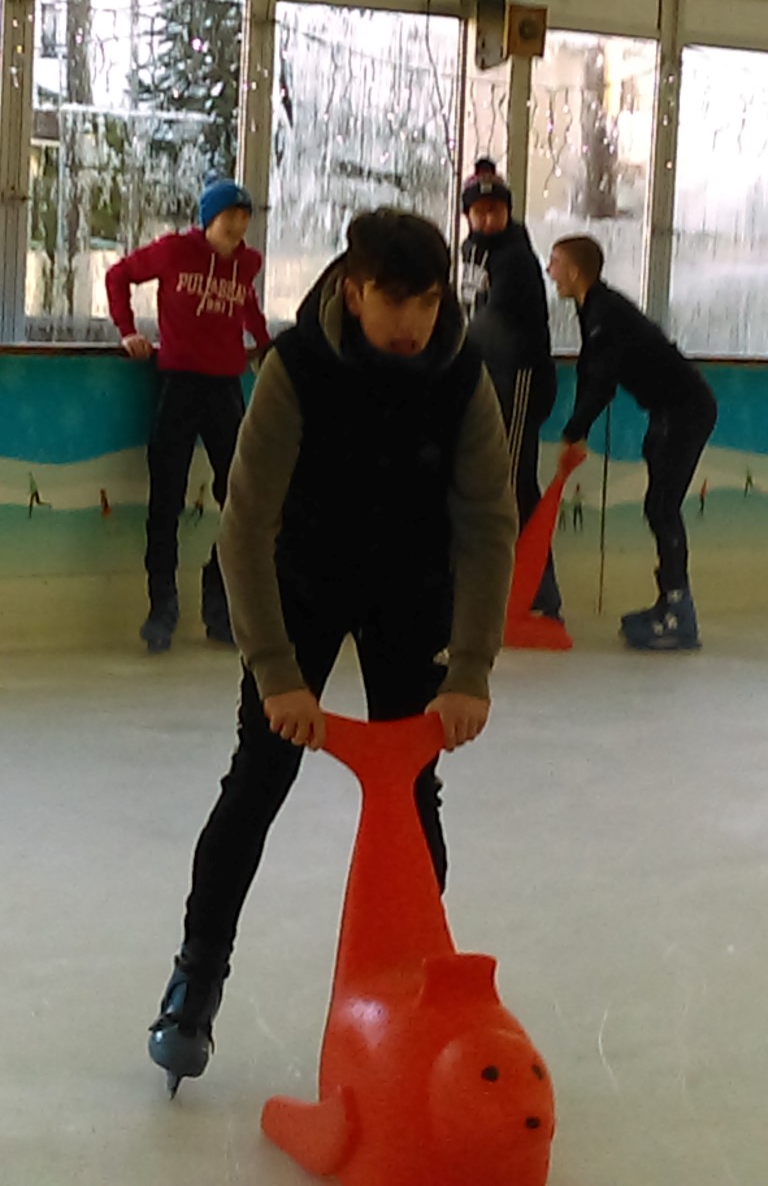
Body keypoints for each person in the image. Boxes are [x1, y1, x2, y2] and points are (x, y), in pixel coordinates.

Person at [147, 208, 517, 1093]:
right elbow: (245, 526)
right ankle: (196, 978)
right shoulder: (297, 365)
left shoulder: (462, 376)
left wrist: (471, 666)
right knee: (259, 778)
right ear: (353, 290)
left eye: (428, 301)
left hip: (411, 591)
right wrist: (276, 670)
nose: (412, 321)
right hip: (305, 581)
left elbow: (488, 523)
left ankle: (414, 983)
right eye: (394, 299)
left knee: (411, 789)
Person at [106, 176, 271, 653]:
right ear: (208, 219)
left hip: (225, 389)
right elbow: (118, 275)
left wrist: (266, 346)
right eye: (229, 216)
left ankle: (219, 604)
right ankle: (162, 607)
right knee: (166, 499)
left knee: (240, 498)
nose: (238, 225)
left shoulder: (247, 264)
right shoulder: (176, 251)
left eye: (245, 217)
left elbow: (247, 306)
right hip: (179, 383)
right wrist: (126, 330)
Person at [548, 234, 717, 651]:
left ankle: (679, 613)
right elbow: (591, 371)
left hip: (685, 410)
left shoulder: (605, 313)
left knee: (662, 507)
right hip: (669, 410)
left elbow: (602, 383)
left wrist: (574, 432)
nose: (550, 271)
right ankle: (670, 603)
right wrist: (578, 430)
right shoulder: (593, 308)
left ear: (575, 271)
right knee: (658, 506)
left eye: (555, 263)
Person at [461, 158, 561, 619]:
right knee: (494, 477)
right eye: (479, 212)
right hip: (490, 376)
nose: (487, 219)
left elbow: (491, 323)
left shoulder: (515, 258)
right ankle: (507, 580)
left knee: (514, 479)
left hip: (521, 377)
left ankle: (539, 587)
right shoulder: (471, 251)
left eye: (495, 211)